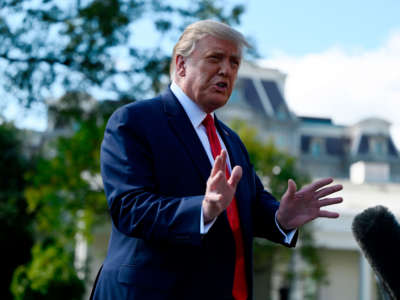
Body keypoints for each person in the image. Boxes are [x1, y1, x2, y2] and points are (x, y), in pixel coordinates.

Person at [91, 19, 343, 300]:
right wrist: (203, 209)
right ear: (182, 65)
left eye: (234, 63)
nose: (226, 70)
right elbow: (130, 208)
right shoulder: (134, 121)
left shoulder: (231, 140)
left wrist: (280, 218)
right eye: (215, 58)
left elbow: (251, 203)